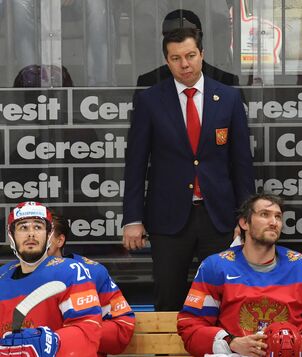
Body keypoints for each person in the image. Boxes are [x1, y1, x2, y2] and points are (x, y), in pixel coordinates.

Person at [123, 27, 255, 311]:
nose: (185, 64)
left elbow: (242, 164)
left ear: (202, 54)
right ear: (167, 61)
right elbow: (135, 164)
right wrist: (132, 218)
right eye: (176, 58)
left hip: (218, 216)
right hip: (168, 219)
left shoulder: (229, 98)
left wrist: (246, 218)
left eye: (191, 55)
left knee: (224, 296)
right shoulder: (149, 101)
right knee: (169, 297)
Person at [177, 193, 302, 357]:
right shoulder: (215, 267)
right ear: (244, 223)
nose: (273, 222)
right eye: (264, 215)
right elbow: (190, 325)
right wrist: (231, 343)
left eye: (278, 217)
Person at [0, 201, 102, 356]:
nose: (31, 234)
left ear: (49, 235)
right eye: (23, 227)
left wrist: (54, 341)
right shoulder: (2, 276)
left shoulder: (72, 271)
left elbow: (88, 330)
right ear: (11, 236)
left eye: (38, 227)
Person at [47, 212, 135, 357]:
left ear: (59, 240)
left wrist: (71, 334)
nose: (33, 235)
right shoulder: (8, 276)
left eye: (41, 230)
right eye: (25, 229)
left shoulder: (92, 271)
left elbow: (122, 328)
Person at [136, 8, 239, 87]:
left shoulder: (227, 81)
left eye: (191, 55)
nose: (184, 64)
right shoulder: (147, 82)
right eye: (173, 36)